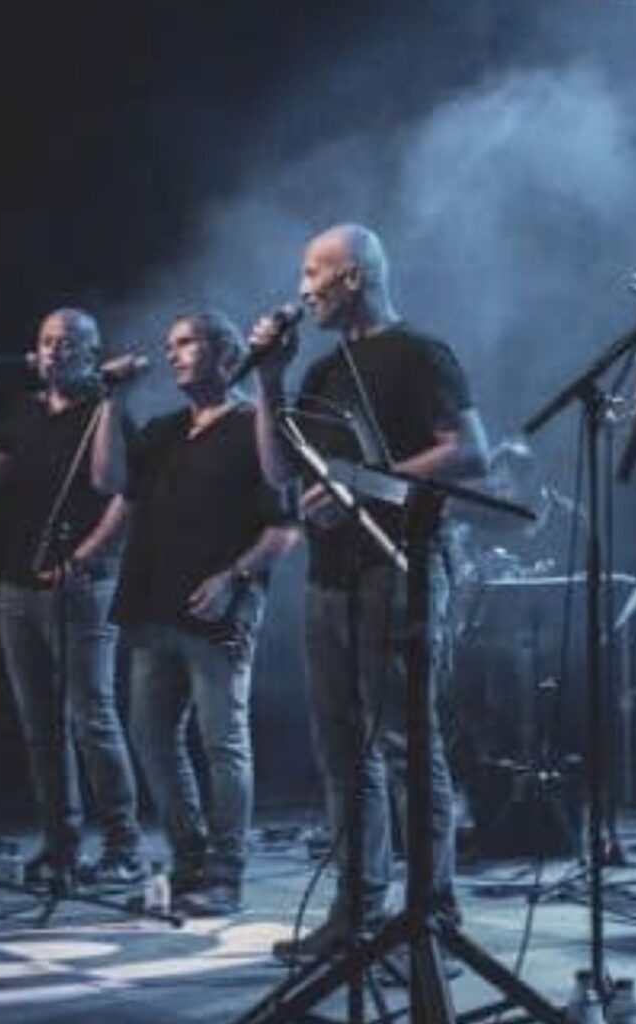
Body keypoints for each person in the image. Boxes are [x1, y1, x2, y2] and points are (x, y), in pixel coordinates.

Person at [251, 223, 490, 959]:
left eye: (312, 273)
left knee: (404, 743)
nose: (302, 290)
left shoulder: (420, 352)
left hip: (401, 568)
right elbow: (277, 473)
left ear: (353, 276)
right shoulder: (321, 372)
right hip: (331, 577)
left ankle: (433, 910)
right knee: (342, 750)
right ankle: (355, 910)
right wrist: (269, 381)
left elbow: (471, 451)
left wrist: (362, 486)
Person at [97, 309, 299, 917]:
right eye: (169, 345)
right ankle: (189, 862)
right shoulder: (164, 431)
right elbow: (108, 479)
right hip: (154, 608)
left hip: (219, 610)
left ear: (226, 352)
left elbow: (285, 528)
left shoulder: (254, 426)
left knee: (222, 742)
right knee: (151, 738)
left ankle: (225, 874)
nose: (173, 353)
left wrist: (234, 578)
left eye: (186, 343)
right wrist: (111, 401)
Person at [0, 307, 143, 887]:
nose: (55, 351)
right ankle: (61, 843)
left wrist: (83, 556)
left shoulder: (105, 412)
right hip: (19, 584)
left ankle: (123, 845)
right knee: (40, 724)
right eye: (46, 341)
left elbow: (118, 491)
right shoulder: (23, 413)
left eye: (68, 342)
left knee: (90, 716)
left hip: (84, 582)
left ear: (92, 352)